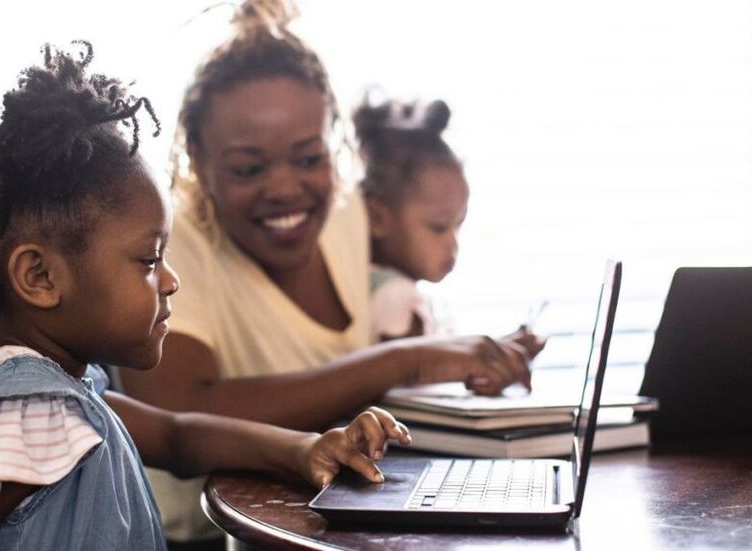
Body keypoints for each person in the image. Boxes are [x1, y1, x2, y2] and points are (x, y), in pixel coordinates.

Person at [0, 42, 412, 551]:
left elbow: (179, 438)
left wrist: (305, 449)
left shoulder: (62, 393)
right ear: (39, 277)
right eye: (148, 262)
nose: (171, 280)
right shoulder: (26, 415)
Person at [117, 1, 546, 546]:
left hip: (332, 515)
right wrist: (402, 362)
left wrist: (470, 354)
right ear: (196, 159)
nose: (285, 188)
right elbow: (172, 410)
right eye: (249, 168)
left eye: (307, 157)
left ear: (333, 142)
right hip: (209, 537)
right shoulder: (176, 239)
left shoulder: (345, 213)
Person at [353, 95, 469, 341]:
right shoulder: (396, 296)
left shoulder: (365, 282)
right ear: (377, 219)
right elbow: (403, 378)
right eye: (438, 227)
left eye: (458, 225)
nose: (453, 244)